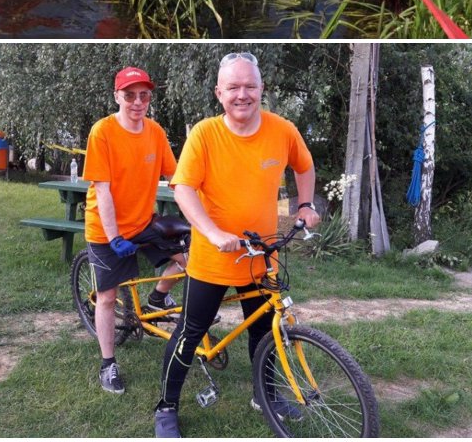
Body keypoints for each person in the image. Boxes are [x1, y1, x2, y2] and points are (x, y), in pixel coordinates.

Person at [153, 53, 320, 438]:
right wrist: (211, 233)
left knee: (264, 331)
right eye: (233, 87)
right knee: (190, 332)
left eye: (249, 86)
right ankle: (166, 406)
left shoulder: (282, 130)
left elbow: (304, 165)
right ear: (219, 92)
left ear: (262, 89)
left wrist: (306, 204)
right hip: (214, 257)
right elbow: (182, 188)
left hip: (261, 255)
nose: (242, 94)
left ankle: (266, 395)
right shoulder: (205, 134)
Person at [83, 66, 184, 395]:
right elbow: (103, 191)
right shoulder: (103, 132)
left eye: (144, 96)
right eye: (130, 95)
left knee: (188, 259)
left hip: (142, 221)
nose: (137, 102)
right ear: (117, 97)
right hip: (105, 227)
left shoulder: (155, 131)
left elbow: (177, 176)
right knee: (109, 296)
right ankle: (108, 363)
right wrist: (114, 237)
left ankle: (156, 299)